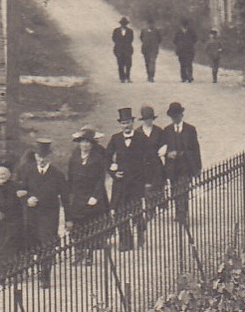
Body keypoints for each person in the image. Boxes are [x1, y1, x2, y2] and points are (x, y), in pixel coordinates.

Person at [18, 138, 66, 289]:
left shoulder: (57, 174)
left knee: (47, 244)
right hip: (31, 214)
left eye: (44, 157)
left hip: (48, 215)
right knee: (33, 243)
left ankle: (45, 275)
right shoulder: (28, 171)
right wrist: (27, 199)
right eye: (39, 156)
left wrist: (69, 219)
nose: (41, 160)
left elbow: (64, 196)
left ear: (50, 157)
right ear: (36, 157)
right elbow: (21, 190)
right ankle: (33, 269)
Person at [106, 107, 155, 251]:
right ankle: (125, 242)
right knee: (120, 212)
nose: (126, 126)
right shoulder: (115, 139)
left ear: (132, 122)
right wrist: (113, 173)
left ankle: (140, 235)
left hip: (136, 182)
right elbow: (107, 158)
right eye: (123, 123)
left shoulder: (141, 138)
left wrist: (147, 181)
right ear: (120, 125)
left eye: (128, 123)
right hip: (121, 183)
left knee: (136, 210)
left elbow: (149, 159)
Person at [64, 127, 110, 262]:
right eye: (83, 142)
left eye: (88, 143)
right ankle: (79, 251)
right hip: (78, 196)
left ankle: (89, 253)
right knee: (77, 225)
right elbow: (70, 177)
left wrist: (95, 196)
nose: (85, 145)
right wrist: (69, 195)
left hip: (90, 196)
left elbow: (100, 180)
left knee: (90, 225)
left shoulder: (97, 159)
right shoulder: (74, 158)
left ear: (92, 145)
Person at [161, 101, 204, 226]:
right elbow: (162, 148)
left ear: (181, 115)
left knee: (184, 190)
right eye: (173, 116)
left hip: (186, 166)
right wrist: (168, 153)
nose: (175, 118)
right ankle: (178, 213)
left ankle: (183, 214)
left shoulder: (190, 129)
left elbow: (196, 148)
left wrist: (198, 167)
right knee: (175, 190)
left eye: (177, 115)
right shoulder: (167, 130)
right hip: (172, 167)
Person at [111, 17, 135, 83]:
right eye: (122, 24)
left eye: (125, 24)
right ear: (120, 24)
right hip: (119, 49)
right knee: (120, 64)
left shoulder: (130, 31)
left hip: (128, 49)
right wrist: (119, 44)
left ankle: (128, 77)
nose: (123, 25)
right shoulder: (116, 30)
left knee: (128, 64)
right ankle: (122, 78)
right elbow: (114, 38)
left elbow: (131, 39)